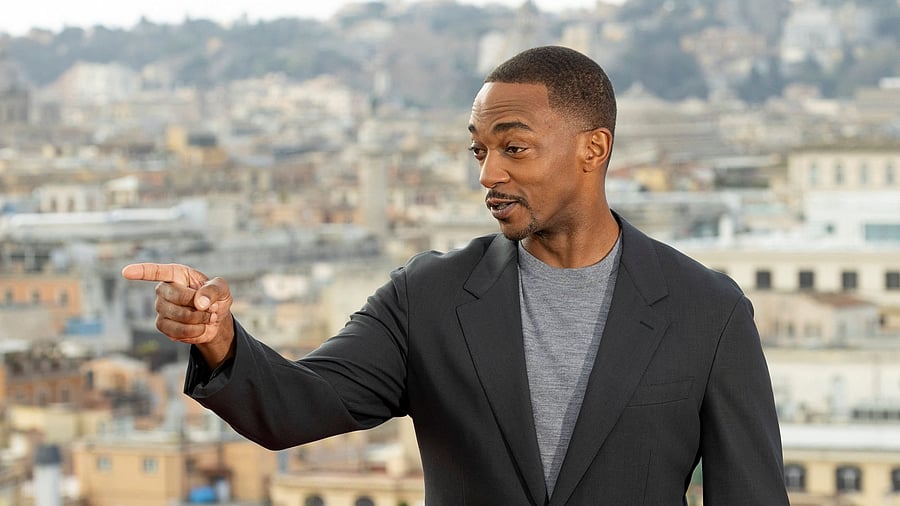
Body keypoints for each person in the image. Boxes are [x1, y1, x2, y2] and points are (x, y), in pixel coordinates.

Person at [122, 46, 789, 505]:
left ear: (594, 148)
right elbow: (298, 405)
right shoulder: (427, 297)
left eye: (514, 147)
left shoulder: (707, 311)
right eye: (479, 150)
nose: (488, 175)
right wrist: (219, 338)